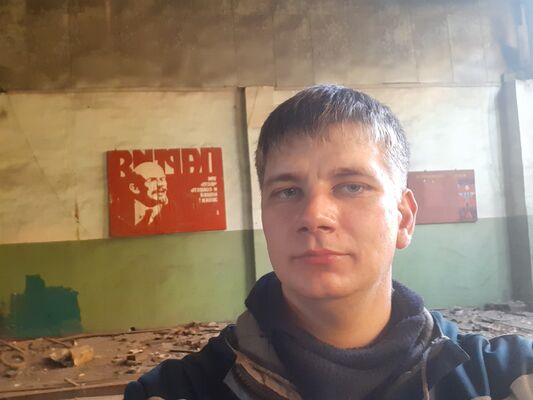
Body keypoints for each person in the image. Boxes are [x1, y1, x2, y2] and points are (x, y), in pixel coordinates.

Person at [124, 85, 533, 400]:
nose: (314, 215)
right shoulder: (177, 391)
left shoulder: (511, 379)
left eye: (352, 186)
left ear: (404, 218)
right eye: (287, 191)